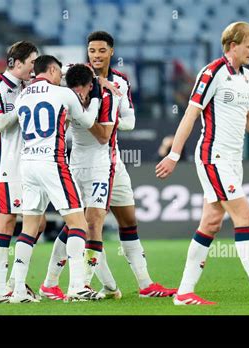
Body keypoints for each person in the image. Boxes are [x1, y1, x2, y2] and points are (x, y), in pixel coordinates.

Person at [156, 21, 249, 305]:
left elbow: (245, 117)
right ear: (233, 46)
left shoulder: (246, 76)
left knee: (211, 222)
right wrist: (173, 154)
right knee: (244, 216)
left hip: (232, 159)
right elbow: (191, 114)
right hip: (212, 156)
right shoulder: (212, 72)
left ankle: (183, 293)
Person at [41, 31, 177, 300]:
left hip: (113, 161)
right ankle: (73, 283)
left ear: (111, 52)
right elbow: (52, 74)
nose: (96, 55)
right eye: (92, 50)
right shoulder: (73, 74)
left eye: (102, 50)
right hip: (82, 161)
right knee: (85, 223)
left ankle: (145, 284)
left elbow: (130, 122)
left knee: (128, 220)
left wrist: (108, 113)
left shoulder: (121, 83)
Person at [10, 56, 103, 302]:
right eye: (58, 72)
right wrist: (96, 98)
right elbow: (88, 121)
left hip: (27, 163)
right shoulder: (62, 94)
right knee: (79, 224)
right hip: (52, 162)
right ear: (51, 69)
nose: (60, 76)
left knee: (28, 228)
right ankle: (76, 286)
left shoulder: (22, 97)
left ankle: (18, 290)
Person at [38, 63, 120, 300]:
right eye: (73, 89)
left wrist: (86, 113)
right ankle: (50, 283)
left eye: (81, 90)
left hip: (99, 168)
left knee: (93, 223)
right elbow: (54, 70)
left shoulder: (107, 97)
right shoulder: (68, 95)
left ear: (90, 86)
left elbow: (104, 136)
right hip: (74, 166)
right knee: (74, 224)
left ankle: (82, 283)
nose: (77, 94)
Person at [0, 41, 44, 304]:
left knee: (38, 223)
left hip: (30, 164)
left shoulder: (28, 87)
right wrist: (24, 102)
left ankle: (13, 283)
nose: (34, 68)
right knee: (6, 223)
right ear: (16, 63)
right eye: (32, 62)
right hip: (6, 165)